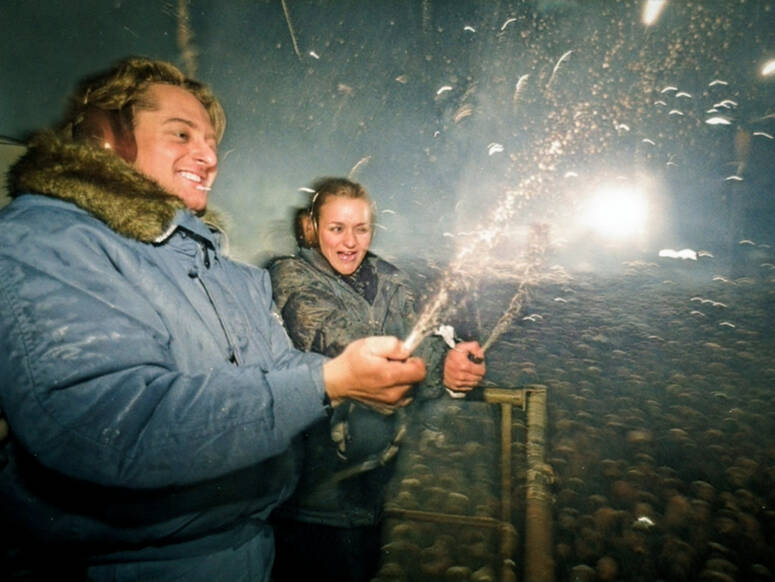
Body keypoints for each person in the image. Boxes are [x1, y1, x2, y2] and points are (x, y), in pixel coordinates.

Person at [0, 57, 425, 582]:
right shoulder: (50, 241)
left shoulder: (228, 274)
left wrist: (362, 377)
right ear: (104, 138)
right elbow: (110, 426)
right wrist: (330, 381)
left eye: (211, 142)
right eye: (181, 134)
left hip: (252, 549)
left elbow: (279, 368)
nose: (208, 156)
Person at [267, 177, 486, 582]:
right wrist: (440, 367)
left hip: (371, 498)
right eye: (337, 228)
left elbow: (427, 335)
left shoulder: (390, 279)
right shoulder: (290, 277)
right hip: (310, 503)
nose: (350, 242)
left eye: (361, 229)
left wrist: (461, 365)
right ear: (313, 228)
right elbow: (342, 339)